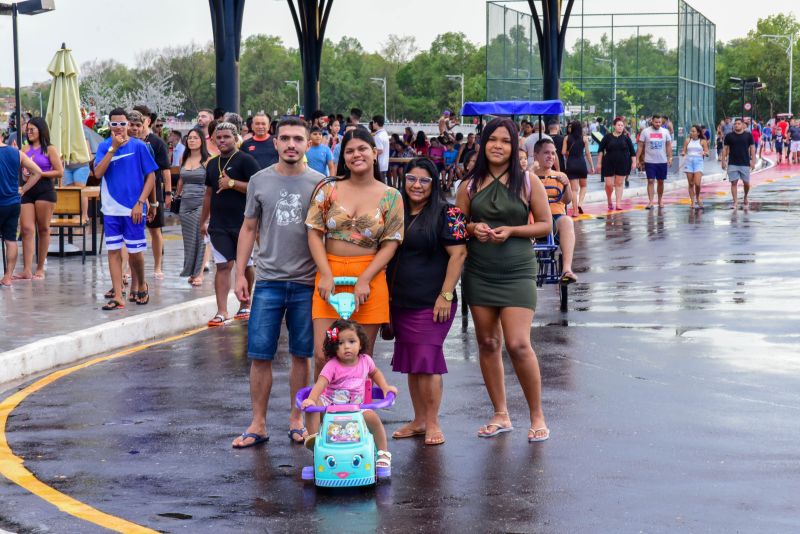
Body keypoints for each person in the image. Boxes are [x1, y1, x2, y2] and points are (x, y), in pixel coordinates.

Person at [455, 117, 552, 443]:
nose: (498, 145)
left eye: (505, 141)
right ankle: (501, 414)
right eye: (492, 139)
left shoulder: (527, 182)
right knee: (488, 343)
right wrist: (473, 229)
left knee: (518, 344)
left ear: (514, 147)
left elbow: (545, 226)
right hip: (480, 271)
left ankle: (536, 415)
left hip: (517, 270)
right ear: (483, 144)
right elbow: (457, 226)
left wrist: (512, 230)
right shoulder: (468, 185)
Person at [230, 117, 324, 448]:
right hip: (268, 280)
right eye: (284, 138)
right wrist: (240, 272)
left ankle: (296, 419)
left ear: (307, 144)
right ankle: (258, 423)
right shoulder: (259, 181)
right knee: (260, 354)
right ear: (275, 142)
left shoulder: (320, 183)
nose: (291, 145)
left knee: (302, 355)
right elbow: (249, 228)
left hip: (306, 282)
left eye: (297, 139)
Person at [305, 128, 404, 379]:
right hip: (330, 275)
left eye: (362, 149)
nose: (356, 155)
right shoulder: (328, 189)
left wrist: (365, 279)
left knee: (361, 359)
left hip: (369, 279)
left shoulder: (391, 195)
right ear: (343, 156)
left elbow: (391, 243)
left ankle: (356, 417)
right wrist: (325, 274)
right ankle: (320, 417)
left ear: (374, 153)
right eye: (349, 151)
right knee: (323, 355)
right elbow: (314, 233)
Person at [388, 157, 467, 446]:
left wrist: (446, 294)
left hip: (433, 301)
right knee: (412, 361)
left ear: (433, 184)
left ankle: (433, 423)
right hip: (400, 300)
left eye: (424, 180)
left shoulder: (449, 213)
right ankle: (419, 420)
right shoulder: (395, 210)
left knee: (427, 359)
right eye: (411, 179)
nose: (416, 185)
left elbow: (458, 255)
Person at [301, 318, 398, 472]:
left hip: (356, 409)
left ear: (360, 343)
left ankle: (383, 453)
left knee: (373, 418)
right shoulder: (332, 365)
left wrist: (385, 387)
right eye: (340, 343)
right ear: (334, 347)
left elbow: (375, 373)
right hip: (331, 408)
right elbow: (320, 384)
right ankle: (314, 439)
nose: (346, 346)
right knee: (312, 406)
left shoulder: (366, 361)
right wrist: (312, 399)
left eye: (351, 341)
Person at [93, 108, 158, 310]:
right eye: (115, 124)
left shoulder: (139, 146)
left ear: (128, 125)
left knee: (135, 252)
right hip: (111, 208)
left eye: (123, 123)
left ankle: (141, 283)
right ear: (109, 125)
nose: (119, 127)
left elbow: (151, 177)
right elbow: (97, 173)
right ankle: (118, 295)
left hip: (134, 208)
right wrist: (112, 148)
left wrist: (141, 202)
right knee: (113, 251)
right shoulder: (104, 146)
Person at [199, 122, 260, 325]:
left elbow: (257, 187)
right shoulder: (212, 163)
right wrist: (203, 220)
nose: (222, 140)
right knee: (223, 265)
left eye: (226, 137)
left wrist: (232, 183)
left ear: (235, 138)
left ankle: (245, 304)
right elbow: (208, 194)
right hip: (219, 225)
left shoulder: (246, 161)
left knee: (246, 264)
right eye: (219, 137)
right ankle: (222, 310)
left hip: (244, 224)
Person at [15, 117, 62, 280]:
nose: (29, 132)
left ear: (41, 130)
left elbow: (59, 171)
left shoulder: (49, 149)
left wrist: (40, 173)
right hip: (27, 190)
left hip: (44, 190)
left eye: (32, 129)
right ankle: (27, 269)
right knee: (27, 229)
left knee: (43, 229)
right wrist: (16, 155)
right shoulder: (25, 148)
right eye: (27, 130)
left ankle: (40, 267)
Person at [133, 105, 172, 280]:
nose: (135, 125)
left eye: (140, 120)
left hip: (154, 189)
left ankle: (157, 266)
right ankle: (129, 268)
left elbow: (165, 170)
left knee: (155, 230)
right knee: (133, 231)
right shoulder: (126, 141)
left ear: (147, 120)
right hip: (133, 190)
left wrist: (168, 193)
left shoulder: (156, 142)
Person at [534, 139, 578, 284]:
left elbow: (567, 200)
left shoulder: (559, 176)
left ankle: (566, 269)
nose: (550, 156)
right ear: (536, 156)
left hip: (556, 219)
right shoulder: (529, 176)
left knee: (566, 220)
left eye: (553, 153)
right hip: (534, 219)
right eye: (546, 153)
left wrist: (566, 185)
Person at [1, 139, 42, 287]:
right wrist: (23, 189)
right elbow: (38, 172)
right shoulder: (16, 153)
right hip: (13, 203)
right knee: (10, 240)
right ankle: (8, 277)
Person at [177, 128, 209, 286]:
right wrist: (175, 196)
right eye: (189, 138)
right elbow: (181, 180)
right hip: (185, 202)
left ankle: (199, 272)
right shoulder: (184, 157)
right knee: (189, 239)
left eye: (195, 138)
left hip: (201, 202)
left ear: (201, 140)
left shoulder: (207, 160)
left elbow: (211, 183)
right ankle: (190, 270)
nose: (192, 140)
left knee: (200, 238)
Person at [596, 117, 637, 211]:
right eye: (618, 125)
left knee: (619, 183)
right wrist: (599, 163)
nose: (620, 127)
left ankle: (618, 203)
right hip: (608, 163)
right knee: (609, 184)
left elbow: (632, 152)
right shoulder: (607, 137)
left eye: (622, 125)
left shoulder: (626, 138)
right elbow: (600, 150)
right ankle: (609, 199)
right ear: (614, 126)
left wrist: (634, 162)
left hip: (623, 163)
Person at [637, 114, 673, 209]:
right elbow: (640, 145)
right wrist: (637, 159)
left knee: (660, 181)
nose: (658, 124)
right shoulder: (645, 131)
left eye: (659, 122)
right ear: (652, 121)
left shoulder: (665, 132)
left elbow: (669, 145)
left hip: (662, 161)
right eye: (656, 122)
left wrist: (670, 157)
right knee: (650, 180)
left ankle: (660, 200)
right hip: (650, 161)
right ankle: (650, 201)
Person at [721, 118, 756, 210]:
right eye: (735, 124)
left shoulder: (748, 135)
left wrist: (753, 161)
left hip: (745, 162)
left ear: (743, 125)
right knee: (734, 182)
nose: (737, 125)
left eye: (739, 123)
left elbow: (752, 148)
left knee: (746, 183)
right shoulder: (729, 136)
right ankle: (735, 202)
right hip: (732, 162)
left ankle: (745, 196)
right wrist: (723, 161)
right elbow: (725, 149)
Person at [562, 120, 593, 216]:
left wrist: (568, 154)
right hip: (581, 163)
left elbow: (563, 152)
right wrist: (592, 166)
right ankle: (580, 204)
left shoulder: (566, 138)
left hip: (571, 164)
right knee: (583, 186)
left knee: (574, 190)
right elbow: (587, 154)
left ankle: (575, 211)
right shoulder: (584, 138)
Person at [680, 125, 709, 209]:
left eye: (693, 131)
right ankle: (692, 201)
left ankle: (698, 197)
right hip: (689, 162)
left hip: (698, 162)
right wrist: (683, 153)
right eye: (691, 131)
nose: (691, 133)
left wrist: (704, 153)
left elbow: (707, 152)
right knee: (691, 183)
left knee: (697, 183)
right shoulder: (687, 140)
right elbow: (684, 150)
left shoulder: (702, 141)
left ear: (698, 133)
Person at [372, 115, 390, 183]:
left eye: (373, 122)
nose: (372, 124)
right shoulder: (384, 133)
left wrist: (371, 153)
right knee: (382, 183)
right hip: (384, 163)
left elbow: (380, 150)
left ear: (376, 123)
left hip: (379, 163)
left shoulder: (378, 136)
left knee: (379, 183)